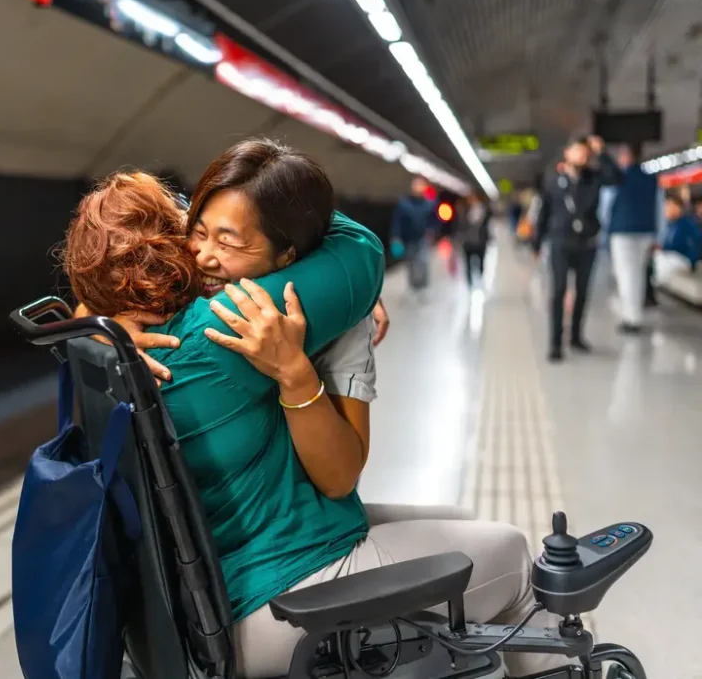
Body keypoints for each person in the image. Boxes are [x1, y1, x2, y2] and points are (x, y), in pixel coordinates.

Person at [62, 139, 565, 678]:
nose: (203, 253)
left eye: (217, 236)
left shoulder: (97, 344)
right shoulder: (227, 326)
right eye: (194, 231)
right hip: (269, 595)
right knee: (513, 554)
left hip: (195, 594)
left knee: (464, 522)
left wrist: (90, 306)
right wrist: (271, 190)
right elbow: (361, 252)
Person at [533, 135, 623, 362]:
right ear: (567, 153)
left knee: (583, 292)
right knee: (559, 291)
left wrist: (602, 152)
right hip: (560, 243)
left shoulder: (594, 178)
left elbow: (617, 178)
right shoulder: (553, 181)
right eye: (577, 151)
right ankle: (555, 343)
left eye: (585, 152)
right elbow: (544, 212)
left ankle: (576, 336)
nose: (582, 155)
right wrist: (537, 242)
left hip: (587, 244)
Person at [605, 144, 663, 334]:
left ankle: (631, 318)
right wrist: (657, 235)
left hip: (623, 232)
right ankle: (635, 313)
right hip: (646, 232)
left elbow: (607, 208)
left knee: (625, 275)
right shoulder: (651, 179)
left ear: (626, 156)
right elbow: (659, 208)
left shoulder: (619, 178)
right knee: (637, 274)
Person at [390, 176, 437, 297]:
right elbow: (397, 222)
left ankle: (422, 286)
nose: (418, 188)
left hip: (422, 238)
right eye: (416, 185)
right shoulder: (404, 204)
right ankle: (413, 286)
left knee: (423, 261)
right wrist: (396, 237)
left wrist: (432, 231)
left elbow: (434, 221)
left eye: (421, 185)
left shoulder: (429, 204)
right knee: (411, 263)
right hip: (408, 239)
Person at [453, 195, 491, 287]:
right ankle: (469, 283)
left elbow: (486, 227)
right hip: (468, 242)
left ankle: (480, 279)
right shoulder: (464, 211)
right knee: (468, 263)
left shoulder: (484, 211)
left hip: (480, 242)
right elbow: (459, 227)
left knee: (481, 262)